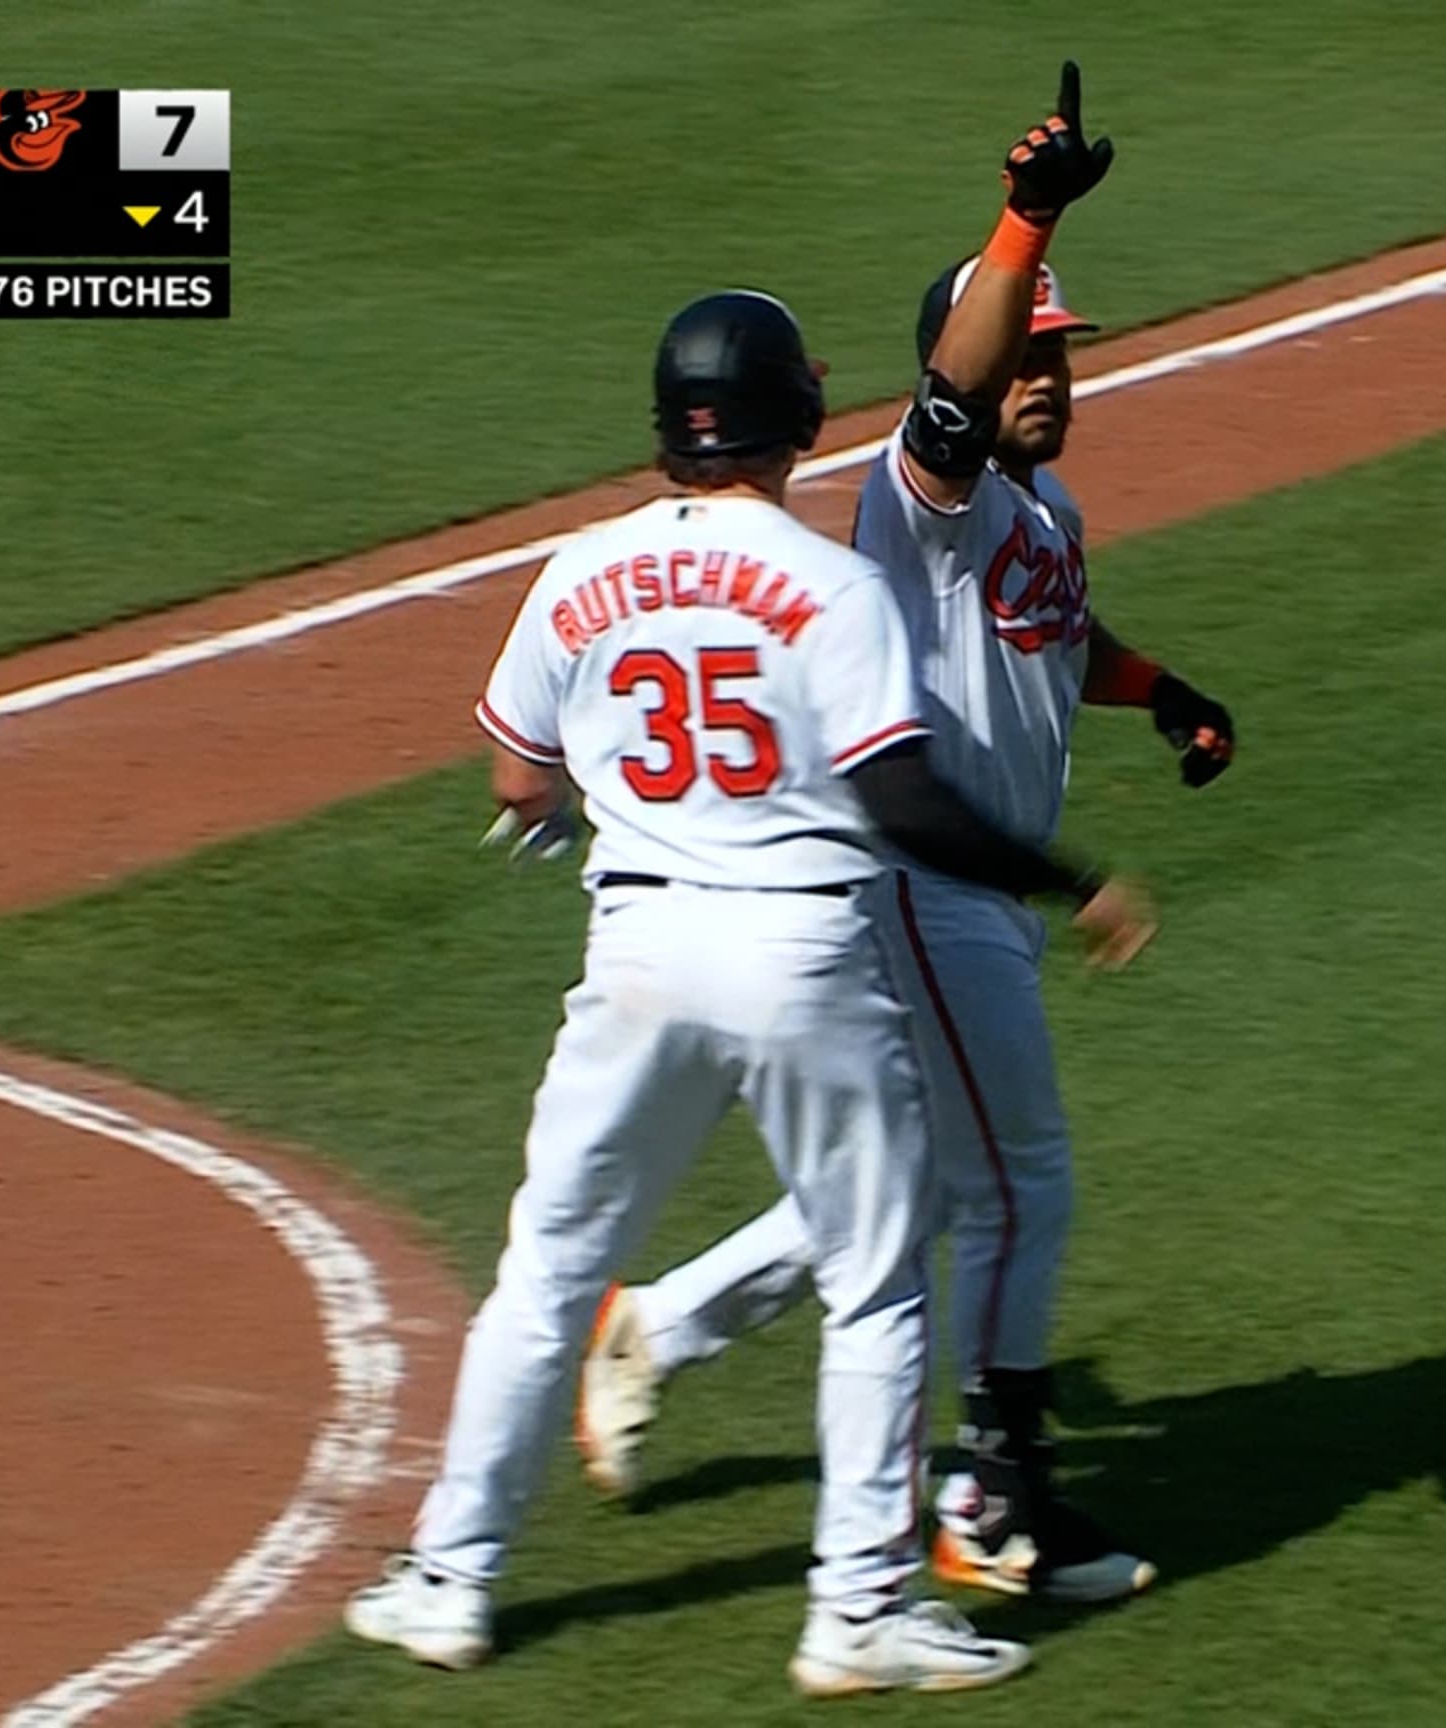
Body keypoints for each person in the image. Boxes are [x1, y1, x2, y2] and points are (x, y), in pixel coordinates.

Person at [343, 284, 1154, 1697]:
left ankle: (447, 1583)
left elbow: (519, 776)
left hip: (638, 957)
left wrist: (571, 810)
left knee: (545, 1273)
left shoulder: (572, 572)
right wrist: (1066, 879)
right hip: (802, 954)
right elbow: (905, 797)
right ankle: (856, 1614)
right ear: (793, 417)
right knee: (879, 1282)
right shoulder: (834, 585)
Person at [577, 63, 1239, 1606]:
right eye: (1030, 356)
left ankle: (664, 1327)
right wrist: (1024, 217)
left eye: (1065, 356)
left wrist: (1165, 693)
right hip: (928, 886)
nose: (1048, 379)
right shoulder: (919, 496)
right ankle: (995, 1497)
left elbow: (1056, 639)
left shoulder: (1041, 519)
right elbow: (951, 393)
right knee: (1021, 1184)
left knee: (927, 1184)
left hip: (968, 898)